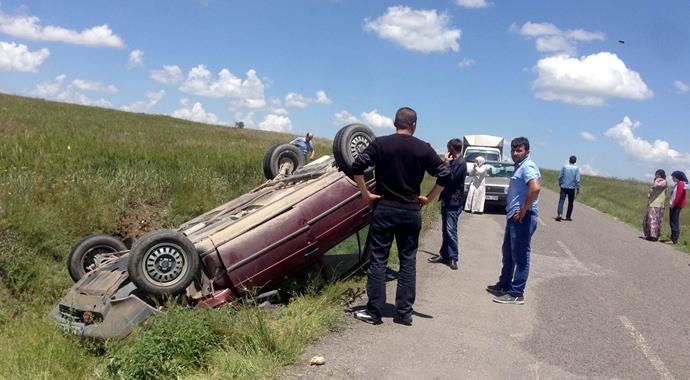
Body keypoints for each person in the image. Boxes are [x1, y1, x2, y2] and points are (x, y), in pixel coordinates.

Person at [350, 107, 451, 326]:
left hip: (384, 208)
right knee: (408, 261)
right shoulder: (423, 148)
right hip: (410, 211)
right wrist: (430, 198)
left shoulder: (381, 143)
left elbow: (357, 165)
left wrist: (366, 193)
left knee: (378, 260)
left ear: (394, 123)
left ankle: (374, 311)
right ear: (414, 124)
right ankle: (404, 313)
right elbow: (445, 173)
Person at [486, 137, 541, 305]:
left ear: (527, 152)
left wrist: (524, 209)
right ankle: (504, 285)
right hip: (514, 216)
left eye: (519, 150)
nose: (515, 153)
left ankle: (517, 293)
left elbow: (535, 188)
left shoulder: (528, 167)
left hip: (523, 217)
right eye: (513, 150)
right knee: (508, 252)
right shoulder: (519, 167)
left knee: (520, 255)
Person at [428, 138, 467, 270]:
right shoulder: (455, 162)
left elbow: (449, 177)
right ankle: (444, 254)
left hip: (454, 201)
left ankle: (453, 257)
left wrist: (445, 162)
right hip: (447, 199)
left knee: (451, 229)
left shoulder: (461, 163)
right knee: (445, 228)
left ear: (451, 149)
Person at [642, 169, 667, 241]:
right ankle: (648, 234)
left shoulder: (664, 182)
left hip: (658, 204)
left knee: (654, 220)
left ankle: (654, 236)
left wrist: (657, 180)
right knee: (647, 220)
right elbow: (652, 189)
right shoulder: (655, 181)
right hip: (652, 202)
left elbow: (656, 186)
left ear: (661, 175)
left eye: (658, 174)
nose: (657, 176)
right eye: (656, 174)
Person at [556, 155, 581, 221]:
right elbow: (577, 180)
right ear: (575, 161)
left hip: (563, 186)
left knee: (561, 201)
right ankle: (568, 216)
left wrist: (560, 184)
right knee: (570, 202)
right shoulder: (576, 168)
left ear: (569, 160)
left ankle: (559, 214)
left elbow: (560, 177)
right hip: (571, 188)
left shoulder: (564, 167)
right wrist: (578, 189)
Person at [668, 171, 688, 244]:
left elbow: (679, 195)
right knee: (672, 221)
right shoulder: (677, 184)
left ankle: (674, 239)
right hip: (673, 205)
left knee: (674, 222)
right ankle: (672, 238)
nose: (672, 178)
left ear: (677, 177)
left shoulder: (681, 184)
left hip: (676, 205)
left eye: (673, 177)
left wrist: (674, 204)